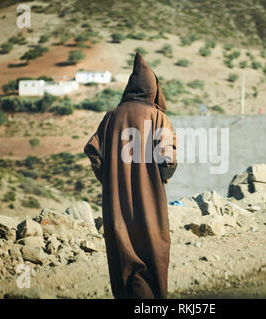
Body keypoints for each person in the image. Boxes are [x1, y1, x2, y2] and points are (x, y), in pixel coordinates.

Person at [84, 52, 177, 299]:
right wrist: (157, 178)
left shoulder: (110, 117)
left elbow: (93, 151)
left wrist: (110, 178)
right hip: (150, 204)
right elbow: (168, 161)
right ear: (153, 90)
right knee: (153, 251)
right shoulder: (158, 117)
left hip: (116, 204)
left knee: (123, 256)